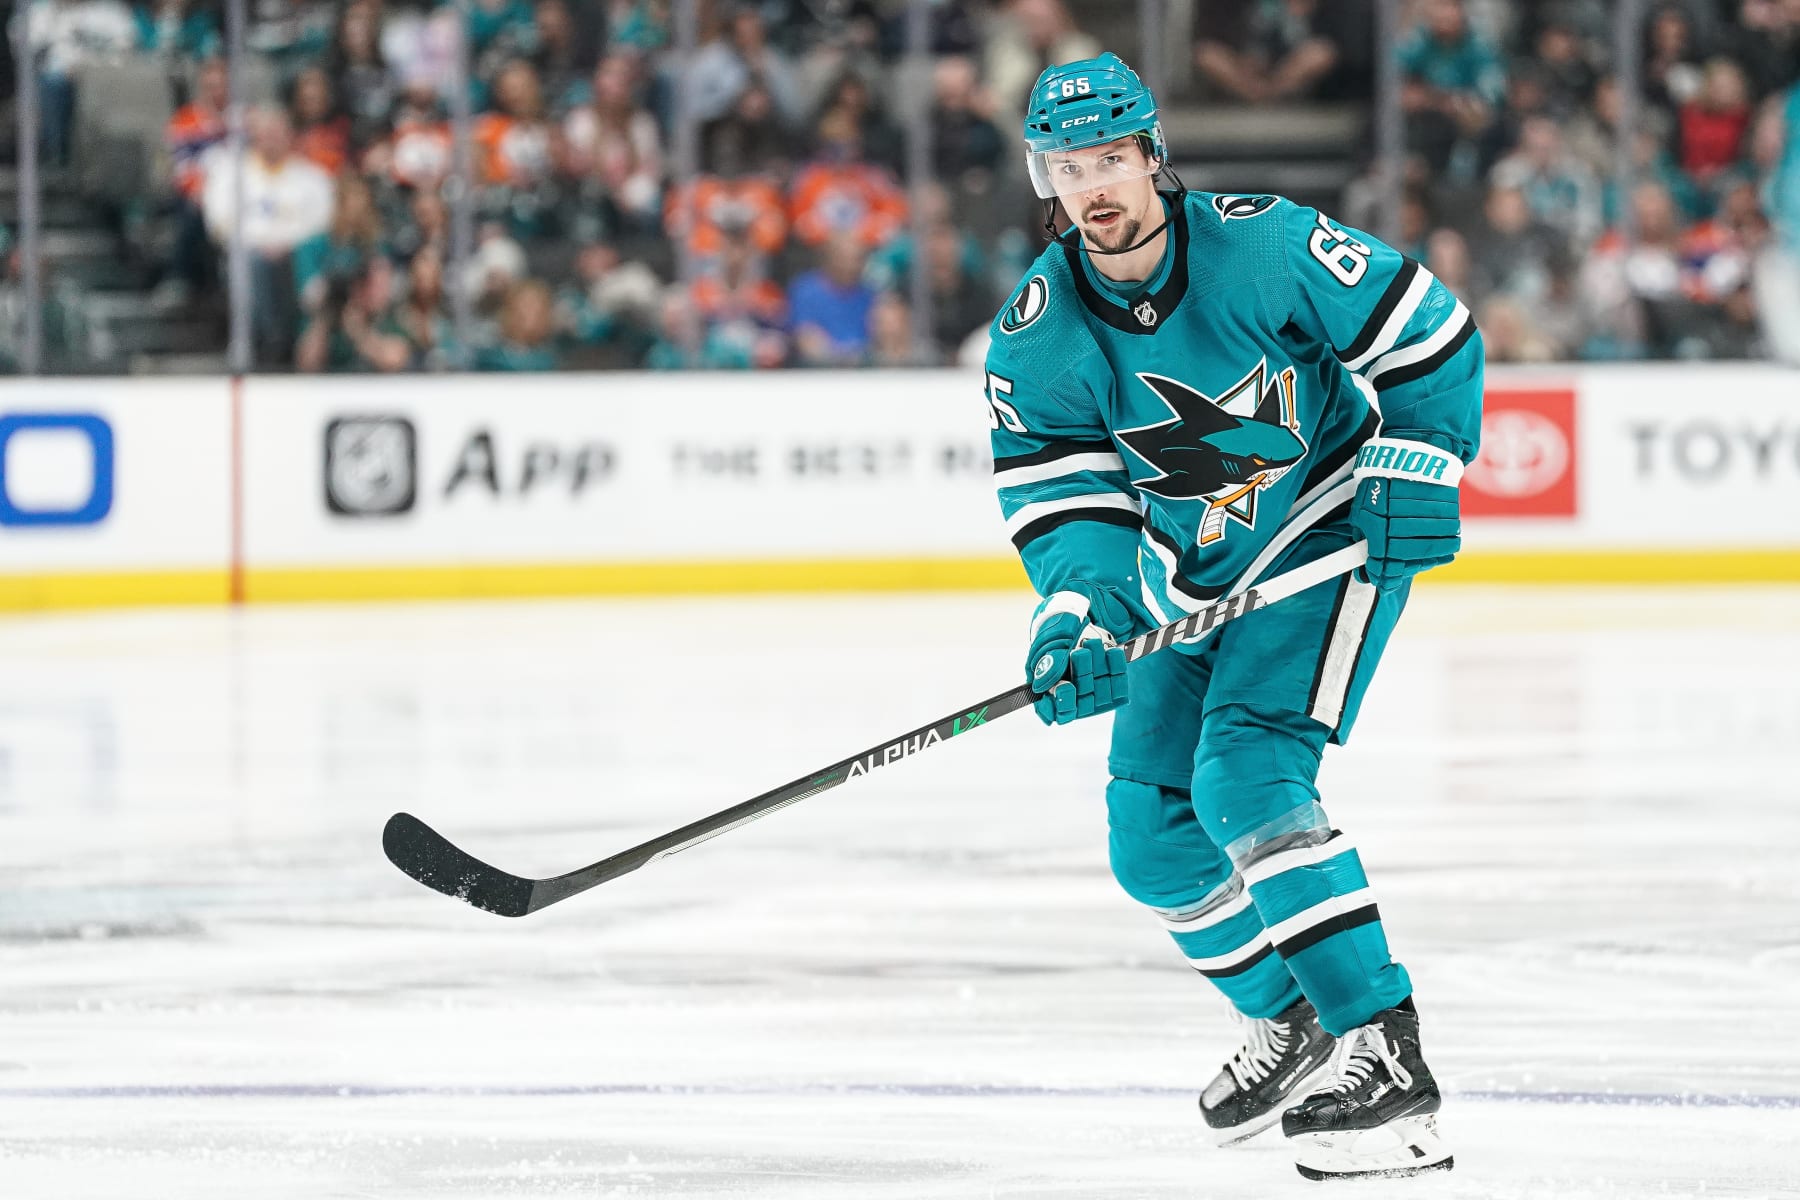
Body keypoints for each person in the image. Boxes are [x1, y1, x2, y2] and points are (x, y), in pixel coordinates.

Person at [985, 54, 1481, 1181]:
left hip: (1325, 527)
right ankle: (1291, 1015)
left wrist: (1420, 455)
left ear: (1152, 156)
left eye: (1111, 159)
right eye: (1070, 168)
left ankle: (1385, 1054)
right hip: (1192, 578)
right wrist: (1080, 615)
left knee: (1246, 776)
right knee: (1151, 832)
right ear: (1046, 181)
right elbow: (1069, 506)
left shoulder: (1264, 243)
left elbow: (1429, 334)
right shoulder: (1036, 333)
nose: (1095, 186)